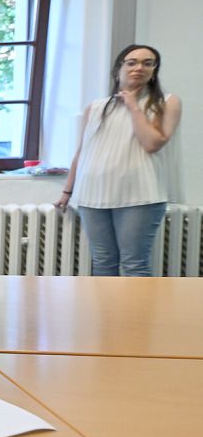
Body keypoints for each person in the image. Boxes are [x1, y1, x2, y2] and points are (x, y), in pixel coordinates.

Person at [55, 44, 182, 276]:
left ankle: (139, 314)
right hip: (92, 195)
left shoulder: (167, 102)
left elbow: (152, 144)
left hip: (140, 196)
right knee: (103, 263)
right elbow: (82, 151)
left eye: (147, 63)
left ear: (154, 70)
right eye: (131, 62)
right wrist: (67, 191)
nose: (139, 68)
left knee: (134, 264)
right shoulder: (95, 107)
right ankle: (108, 314)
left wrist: (134, 106)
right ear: (118, 70)